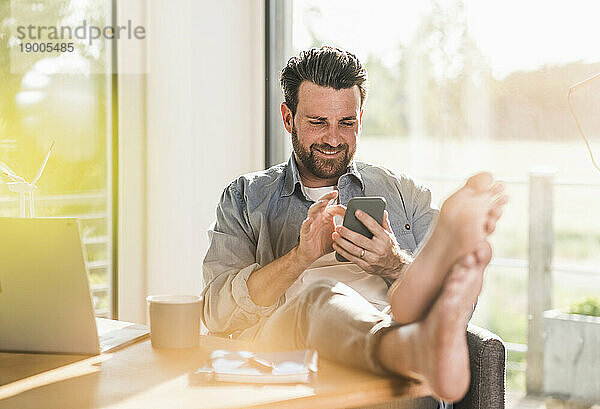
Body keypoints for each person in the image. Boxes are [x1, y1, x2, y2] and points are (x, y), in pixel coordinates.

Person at [201, 46, 506, 404]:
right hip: (288, 366)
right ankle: (408, 344)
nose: (333, 139)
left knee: (414, 308)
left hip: (392, 377)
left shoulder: (404, 193)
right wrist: (299, 258)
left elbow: (455, 311)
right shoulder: (245, 197)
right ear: (288, 118)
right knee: (320, 299)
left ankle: (408, 320)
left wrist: (393, 263)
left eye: (346, 123)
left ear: (360, 118)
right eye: (318, 123)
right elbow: (217, 316)